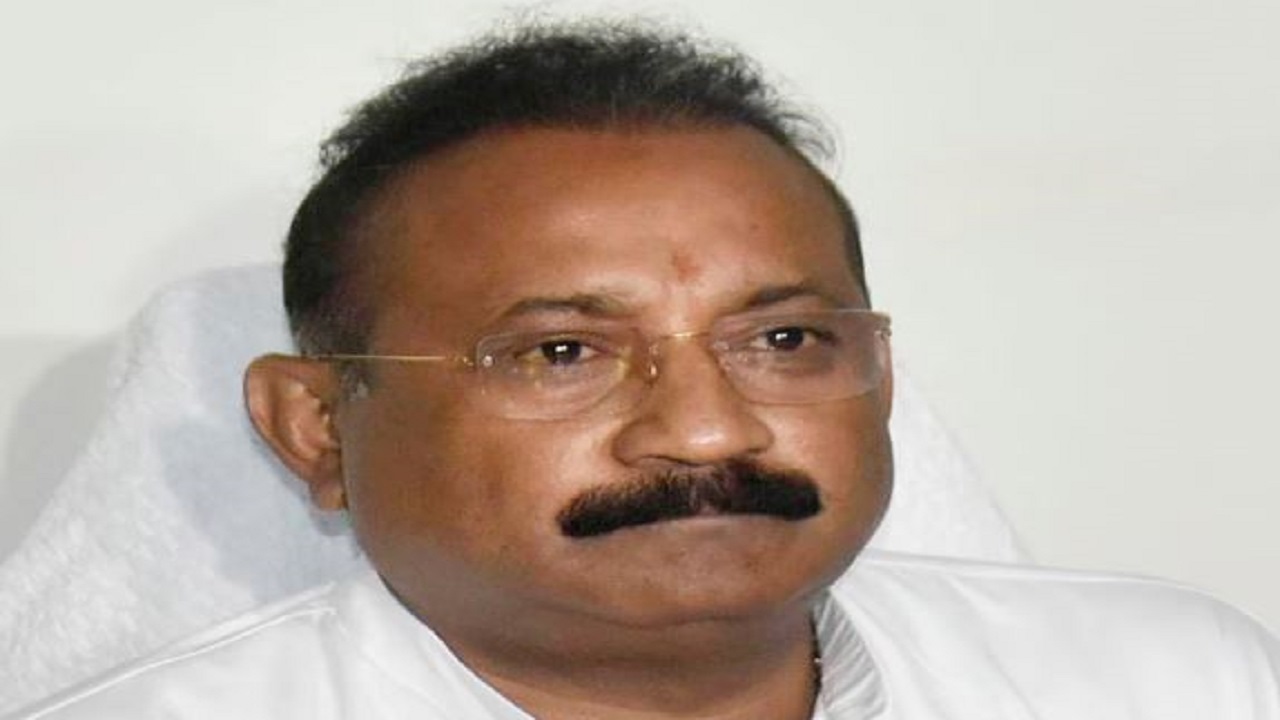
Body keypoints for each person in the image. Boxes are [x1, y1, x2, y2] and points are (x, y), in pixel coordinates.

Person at [8, 20, 1278, 720]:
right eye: (563, 353)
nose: (709, 433)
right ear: (317, 429)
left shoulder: (1164, 684)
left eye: (782, 341)